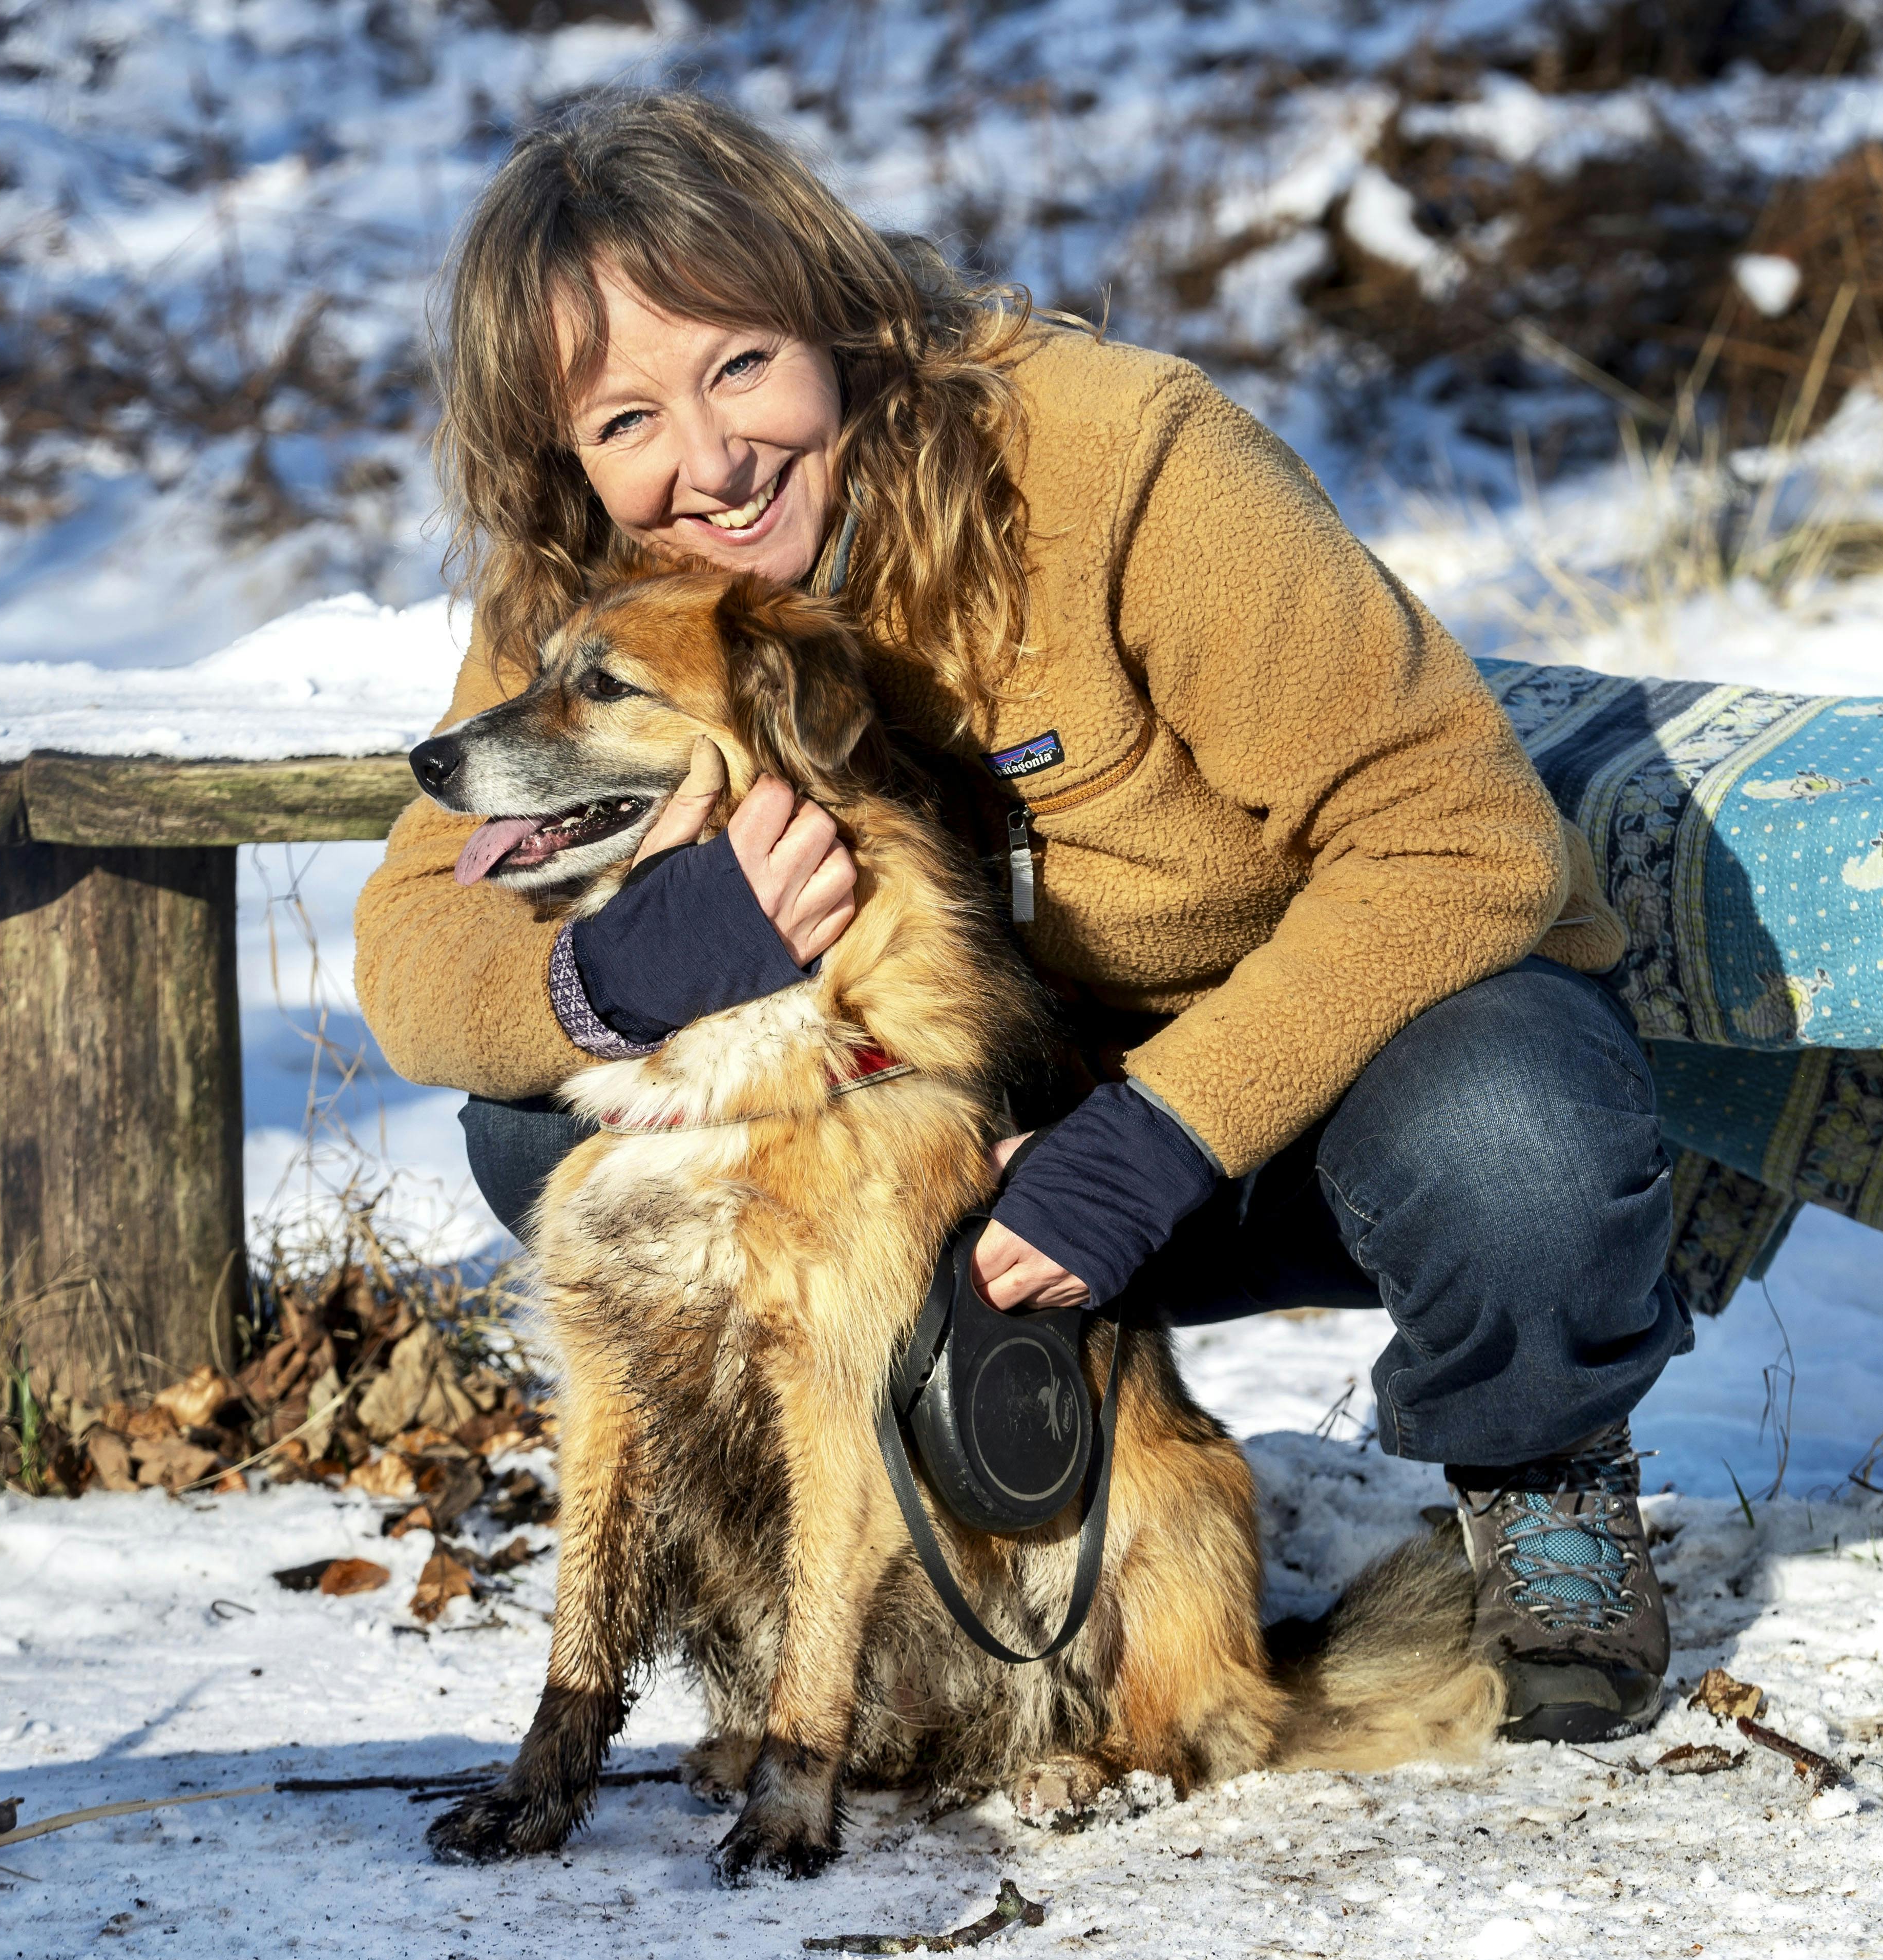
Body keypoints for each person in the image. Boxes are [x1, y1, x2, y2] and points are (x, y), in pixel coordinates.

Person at [353, 90, 1690, 1745]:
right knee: (541, 1138)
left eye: (738, 365)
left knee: (1513, 1131)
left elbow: (1460, 834)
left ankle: (1540, 1462)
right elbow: (416, 962)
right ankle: (898, 1554)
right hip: (955, 1158)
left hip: (1299, 1094)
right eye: (624, 420)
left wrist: (1159, 1131)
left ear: (834, 322)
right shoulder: (600, 584)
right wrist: (639, 959)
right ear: (564, 455)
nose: (705, 461)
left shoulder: (1121, 461)